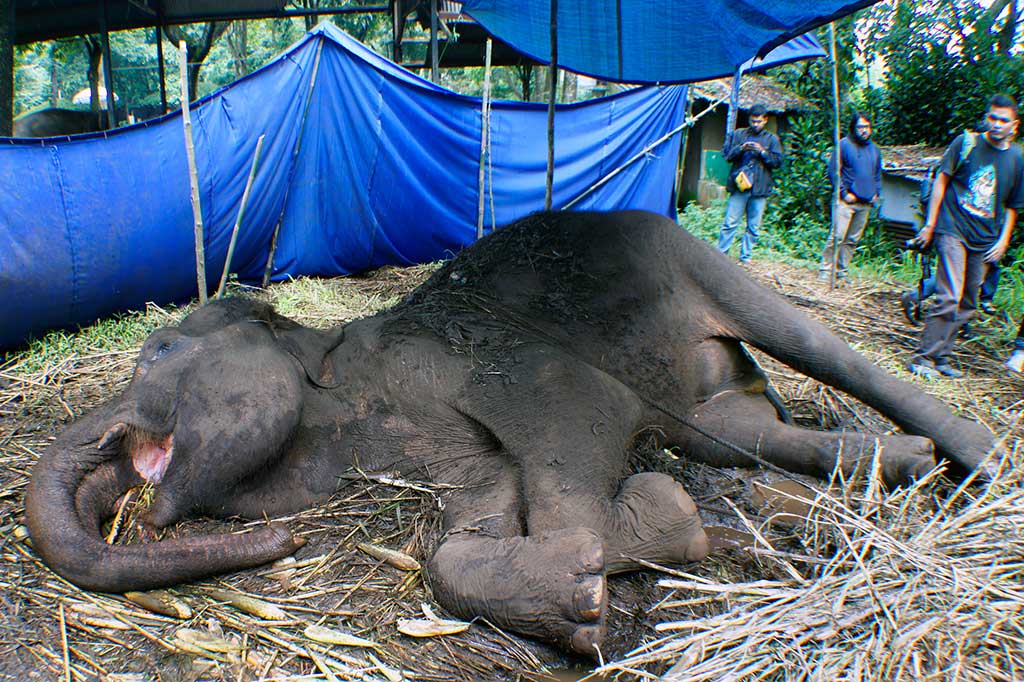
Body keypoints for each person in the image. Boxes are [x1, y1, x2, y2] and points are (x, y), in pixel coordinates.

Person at [906, 94, 1024, 379]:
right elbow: (942, 181)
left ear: (1014, 125)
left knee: (968, 303)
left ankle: (941, 357)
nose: (996, 124)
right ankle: (923, 359)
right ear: (986, 117)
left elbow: (1012, 206)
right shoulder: (966, 143)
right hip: (953, 228)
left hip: (985, 240)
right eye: (992, 118)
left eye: (1003, 120)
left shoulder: (1017, 158)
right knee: (949, 296)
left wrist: (1003, 241)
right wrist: (930, 224)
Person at [818, 113, 883, 281]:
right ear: (854, 128)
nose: (864, 130)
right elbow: (833, 171)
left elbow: (877, 174)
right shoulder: (844, 145)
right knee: (837, 236)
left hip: (865, 202)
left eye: (866, 127)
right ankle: (826, 269)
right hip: (846, 202)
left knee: (852, 240)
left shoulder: (874, 149)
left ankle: (842, 270)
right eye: (860, 127)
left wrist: (877, 192)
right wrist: (844, 193)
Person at [717, 104, 784, 263]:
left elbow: (778, 162)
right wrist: (741, 148)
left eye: (759, 122)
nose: (755, 125)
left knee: (753, 227)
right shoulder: (738, 134)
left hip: (760, 189)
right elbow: (727, 155)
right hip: (739, 187)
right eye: (753, 121)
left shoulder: (772, 139)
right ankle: (720, 255)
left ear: (765, 120)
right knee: (730, 223)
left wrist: (762, 152)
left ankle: (745, 258)